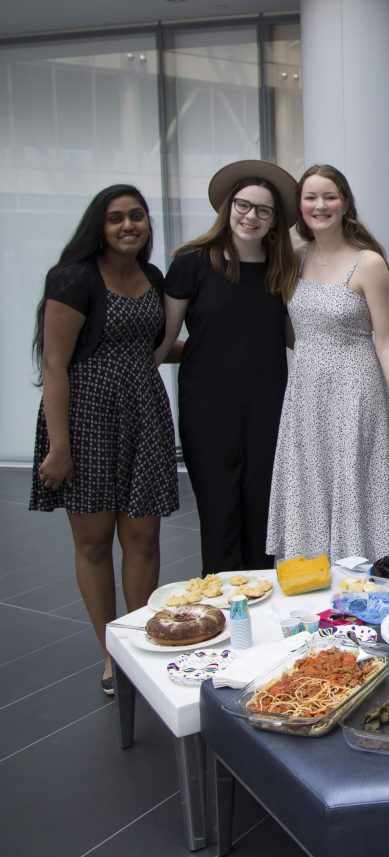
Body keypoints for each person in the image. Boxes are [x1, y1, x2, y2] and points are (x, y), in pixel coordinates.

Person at [30, 185, 178, 694]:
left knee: (143, 538)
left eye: (137, 217)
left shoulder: (152, 277)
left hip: (144, 415)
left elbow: (154, 344)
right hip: (86, 418)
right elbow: (54, 366)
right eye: (116, 218)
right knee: (94, 544)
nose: (128, 226)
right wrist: (59, 446)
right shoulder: (72, 278)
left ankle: (140, 645)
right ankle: (112, 654)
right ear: (100, 225)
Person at [266, 164, 389, 566]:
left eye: (329, 196)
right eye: (311, 197)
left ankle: (368, 594)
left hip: (356, 393)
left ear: (345, 203)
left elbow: (386, 343)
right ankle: (314, 602)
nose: (320, 205)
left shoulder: (368, 263)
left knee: (358, 493)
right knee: (310, 493)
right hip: (305, 396)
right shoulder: (295, 259)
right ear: (299, 206)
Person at [158, 160, 299, 572]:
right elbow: (166, 339)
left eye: (263, 210)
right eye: (243, 205)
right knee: (218, 510)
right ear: (227, 206)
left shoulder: (283, 268)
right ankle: (221, 609)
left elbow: (297, 338)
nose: (250, 216)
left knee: (262, 511)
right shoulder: (192, 262)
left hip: (268, 404)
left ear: (274, 221)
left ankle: (262, 608)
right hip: (207, 404)